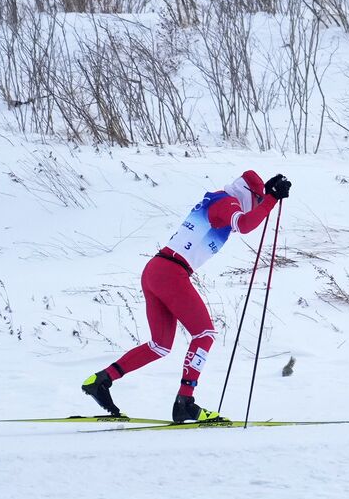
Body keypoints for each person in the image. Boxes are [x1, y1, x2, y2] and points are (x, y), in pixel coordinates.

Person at [81, 170, 292, 422]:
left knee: (159, 345)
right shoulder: (228, 203)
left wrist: (267, 196)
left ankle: (101, 380)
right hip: (171, 272)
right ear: (249, 195)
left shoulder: (222, 199)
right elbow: (245, 225)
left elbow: (244, 220)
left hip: (156, 270)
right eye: (256, 200)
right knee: (205, 334)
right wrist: (271, 199)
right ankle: (185, 402)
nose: (256, 206)